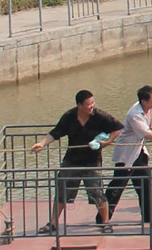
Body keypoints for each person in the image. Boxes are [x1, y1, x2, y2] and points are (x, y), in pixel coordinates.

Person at [30, 89, 123, 233]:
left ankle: (105, 222)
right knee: (62, 192)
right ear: (79, 105)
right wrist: (41, 144)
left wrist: (108, 142)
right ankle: (53, 223)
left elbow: (118, 127)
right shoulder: (70, 116)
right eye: (88, 104)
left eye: (93, 103)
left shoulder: (100, 116)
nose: (92, 106)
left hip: (92, 161)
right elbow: (56, 133)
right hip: (72, 160)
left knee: (97, 192)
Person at [103, 84, 152, 226]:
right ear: (143, 101)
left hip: (139, 151)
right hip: (127, 153)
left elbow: (149, 130)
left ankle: (149, 215)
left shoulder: (149, 110)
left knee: (144, 183)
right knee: (117, 187)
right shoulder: (135, 114)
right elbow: (145, 134)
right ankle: (103, 218)